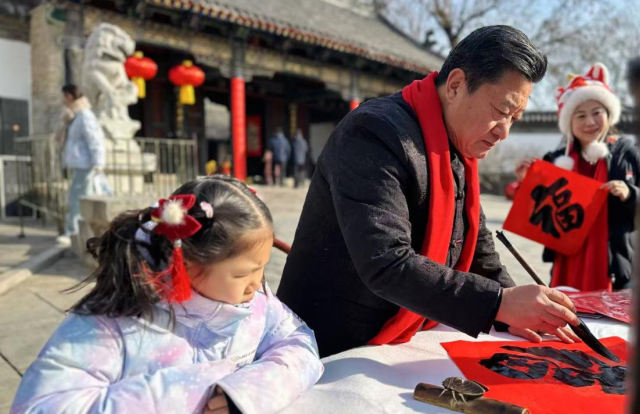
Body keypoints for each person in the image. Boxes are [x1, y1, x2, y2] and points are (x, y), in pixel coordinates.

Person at [277, 25, 581, 358]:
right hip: (330, 342)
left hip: (405, 335)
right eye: (501, 112)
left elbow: (478, 250)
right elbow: (386, 262)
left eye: (515, 118)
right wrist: (497, 303)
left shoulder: (459, 145)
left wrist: (515, 306)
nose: (504, 132)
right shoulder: (373, 132)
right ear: (456, 85)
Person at [11, 175, 323, 414]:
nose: (256, 284)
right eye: (243, 274)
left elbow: (299, 342)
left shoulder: (256, 305)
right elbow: (40, 406)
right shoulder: (117, 318)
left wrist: (245, 393)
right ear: (186, 265)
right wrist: (193, 389)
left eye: (262, 269)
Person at [542, 63, 640, 291]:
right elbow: (541, 214)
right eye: (580, 115)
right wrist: (526, 182)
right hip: (567, 259)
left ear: (609, 114)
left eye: (597, 113)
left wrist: (630, 193)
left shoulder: (628, 153)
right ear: (569, 122)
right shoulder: (556, 159)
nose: (589, 122)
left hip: (616, 261)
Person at [59, 84, 106, 242]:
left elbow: (95, 140)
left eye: (64, 96)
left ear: (69, 96)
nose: (63, 100)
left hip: (85, 165)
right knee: (77, 199)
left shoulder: (85, 116)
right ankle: (75, 233)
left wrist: (98, 163)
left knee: (77, 201)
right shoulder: (76, 116)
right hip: (80, 164)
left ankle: (74, 233)